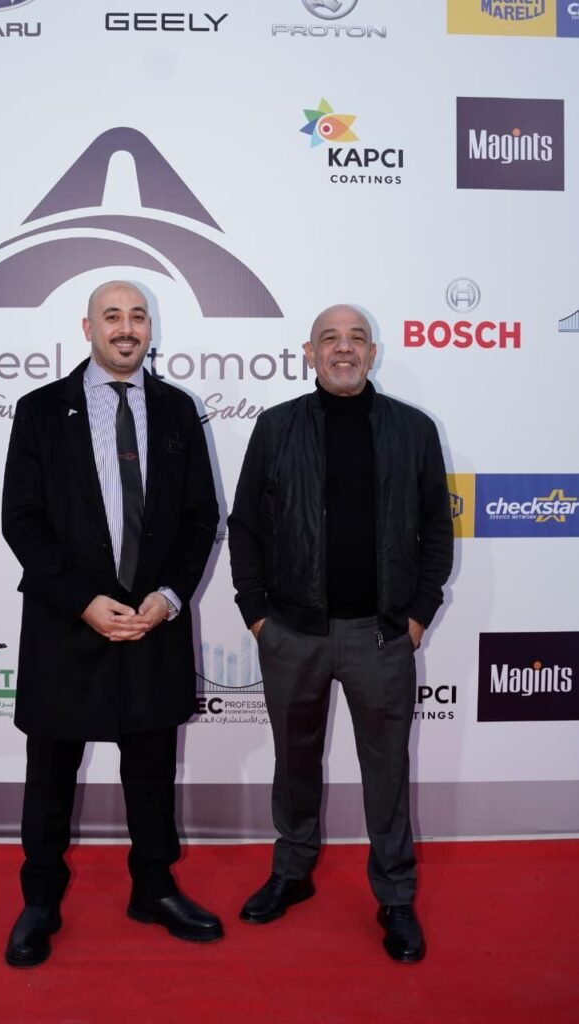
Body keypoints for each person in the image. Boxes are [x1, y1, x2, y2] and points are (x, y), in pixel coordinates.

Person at [2, 280, 222, 967]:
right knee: (50, 774)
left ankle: (153, 889)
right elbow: (22, 520)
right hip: (67, 623)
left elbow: (200, 517)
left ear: (149, 329)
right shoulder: (41, 410)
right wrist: (82, 601)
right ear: (88, 328)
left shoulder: (179, 409)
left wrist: (170, 596)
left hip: (153, 621)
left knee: (152, 769)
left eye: (137, 316)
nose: (126, 328)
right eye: (112, 317)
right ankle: (40, 902)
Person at [228, 304, 453, 963]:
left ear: (373, 353)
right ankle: (292, 871)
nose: (344, 348)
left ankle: (396, 896)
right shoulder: (277, 427)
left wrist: (418, 614)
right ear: (310, 352)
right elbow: (245, 526)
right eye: (330, 338)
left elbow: (436, 529)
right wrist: (256, 613)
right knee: (294, 762)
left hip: (381, 637)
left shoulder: (413, 430)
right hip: (292, 633)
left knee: (387, 770)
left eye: (356, 338)